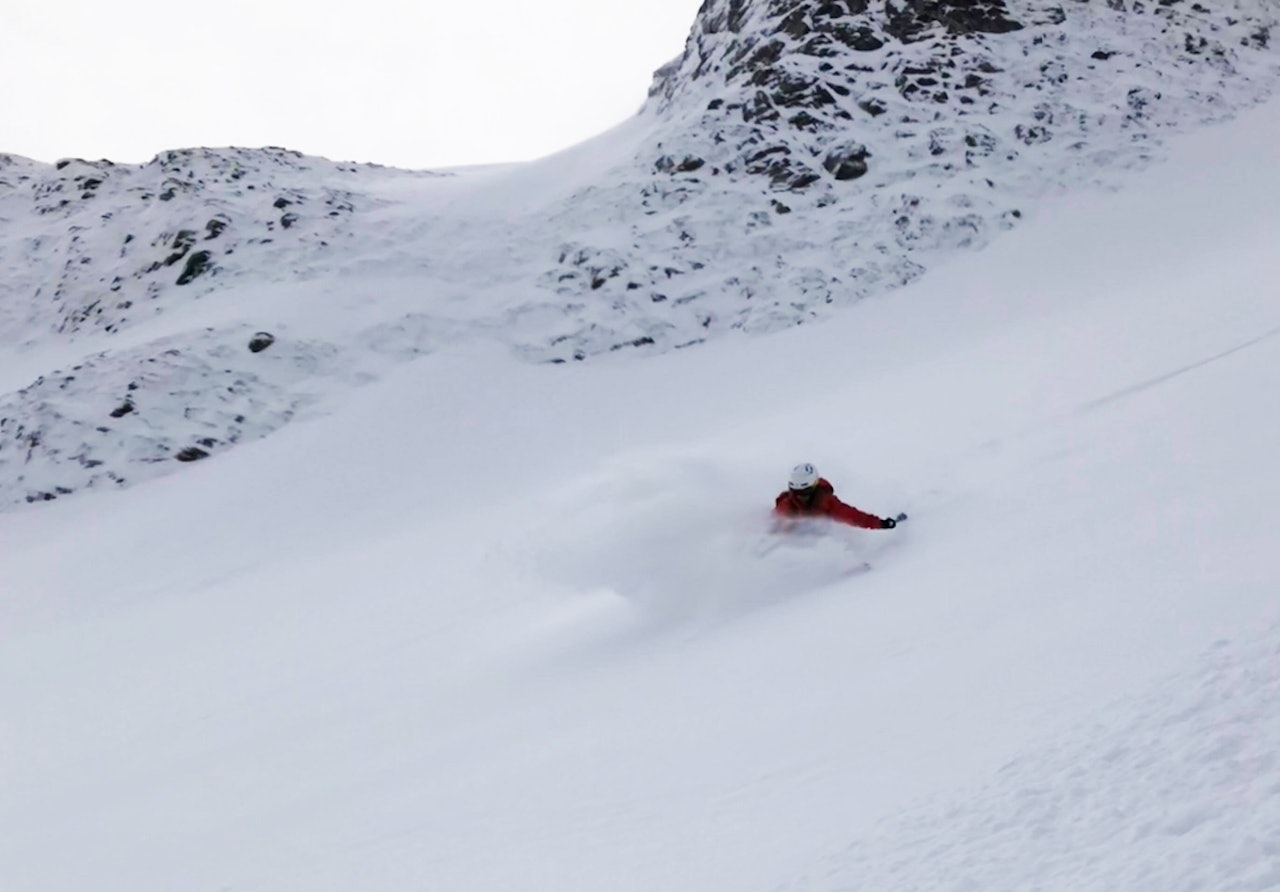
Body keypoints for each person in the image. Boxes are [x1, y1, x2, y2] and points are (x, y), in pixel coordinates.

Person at [774, 462, 900, 530]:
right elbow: (773, 528)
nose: (800, 497)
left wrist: (880, 523)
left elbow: (853, 516)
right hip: (795, 543)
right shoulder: (787, 505)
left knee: (830, 535)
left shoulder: (825, 501)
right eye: (796, 492)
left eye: (805, 492)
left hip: (820, 539)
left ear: (815, 486)